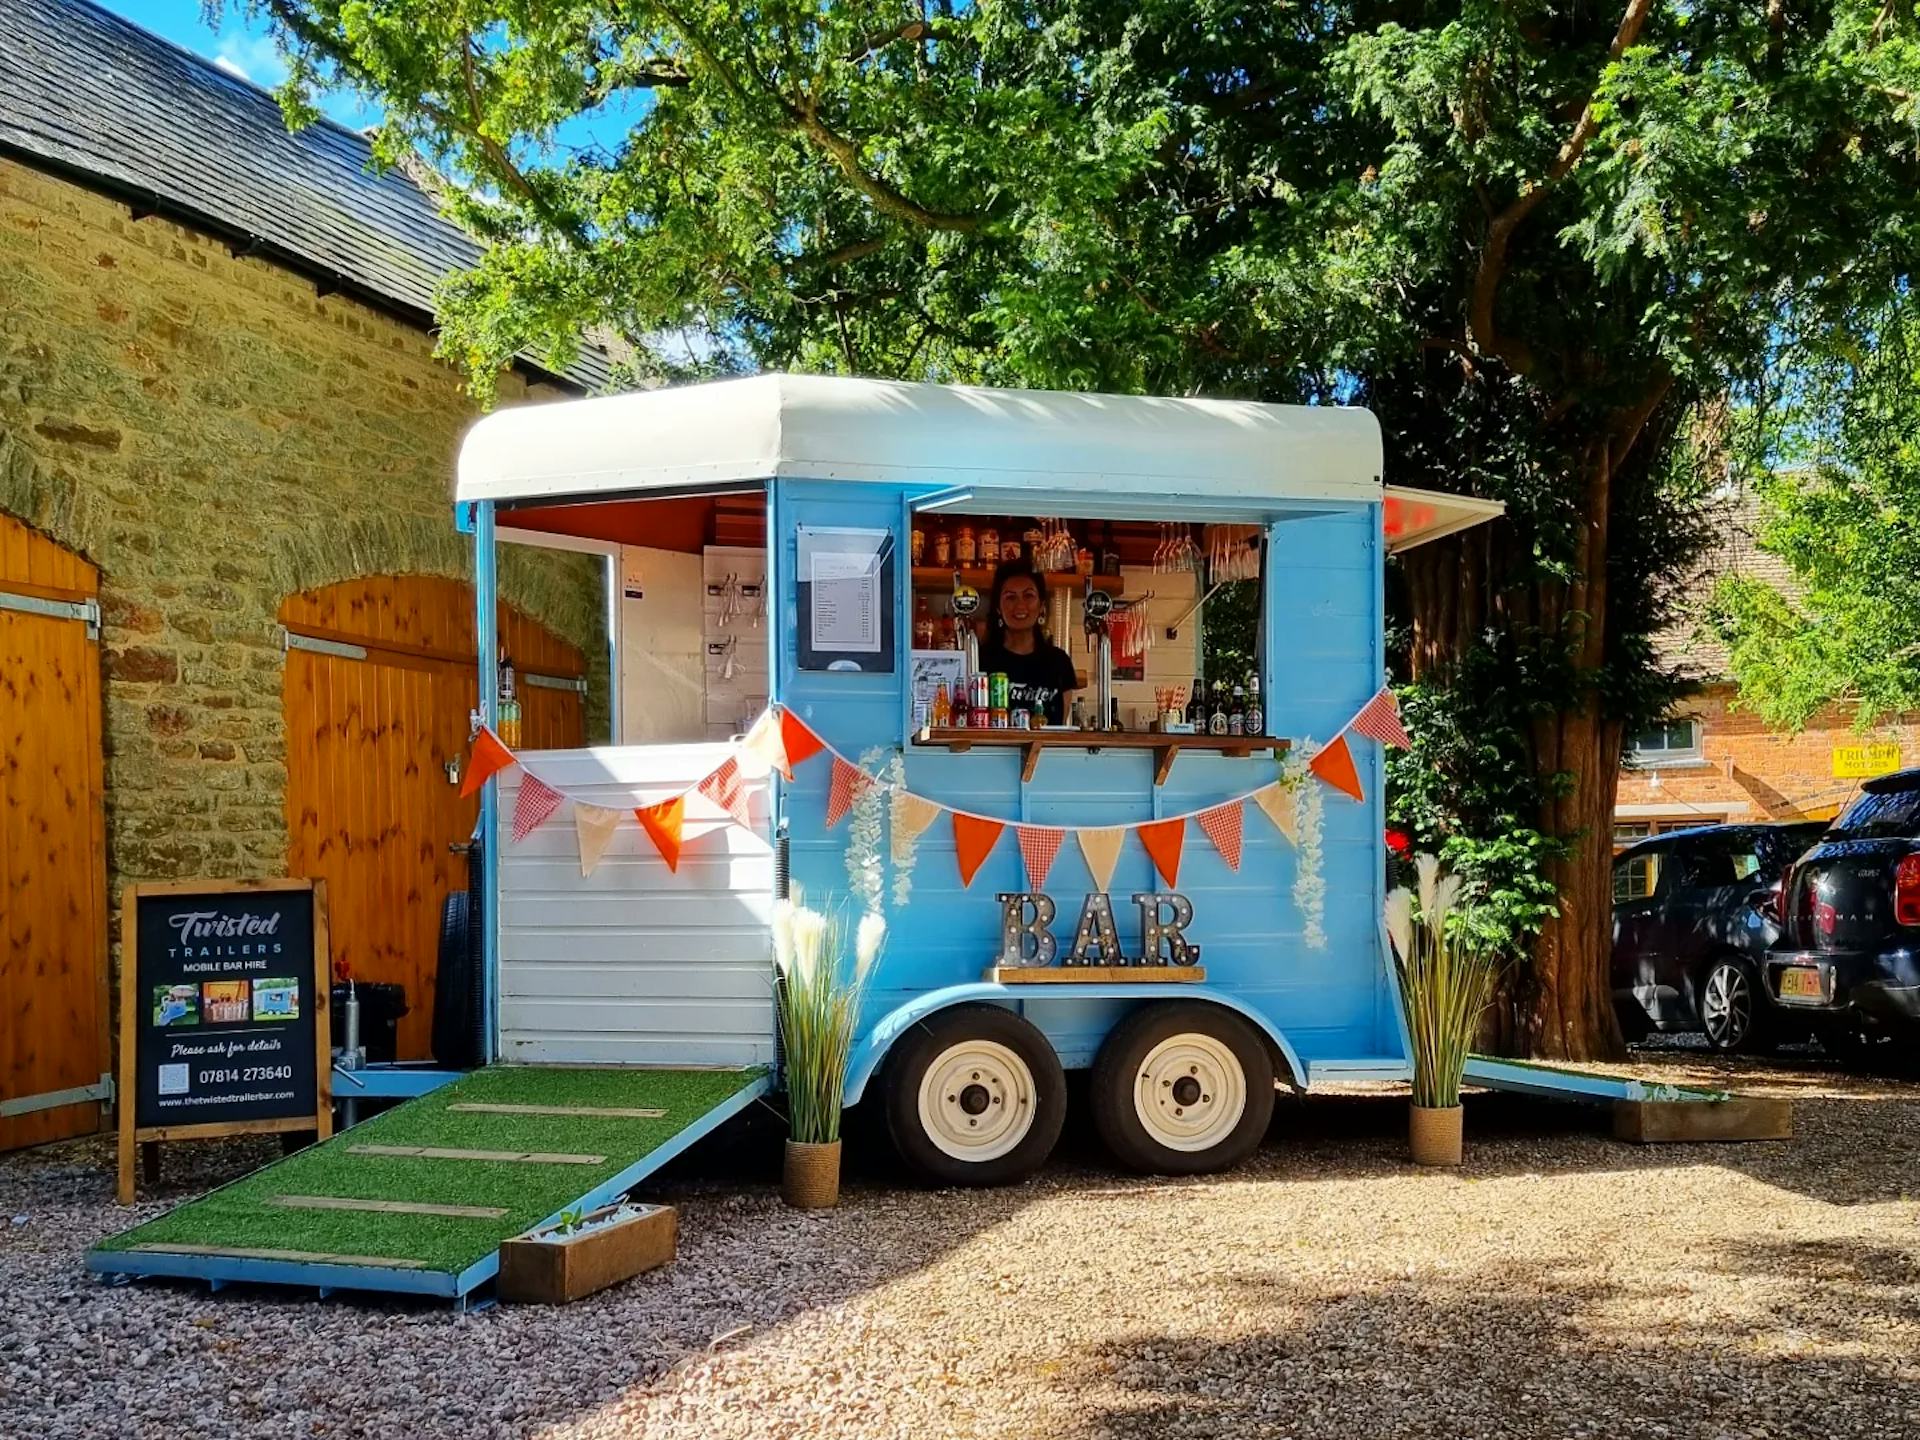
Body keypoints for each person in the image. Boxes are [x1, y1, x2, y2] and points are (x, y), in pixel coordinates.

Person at [980, 559, 1078, 725]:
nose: (1020, 605)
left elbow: (1059, 728)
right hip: (993, 751)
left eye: (1028, 595)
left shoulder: (1059, 662)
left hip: (1046, 750)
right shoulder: (981, 660)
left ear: (1041, 605)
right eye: (1010, 597)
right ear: (998, 607)